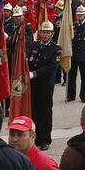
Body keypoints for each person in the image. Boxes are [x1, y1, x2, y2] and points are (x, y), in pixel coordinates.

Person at [28, 20, 62, 151]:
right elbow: (28, 59)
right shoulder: (34, 45)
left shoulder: (56, 49)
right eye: (43, 32)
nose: (45, 35)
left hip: (45, 85)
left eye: (48, 32)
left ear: (52, 34)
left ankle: (45, 139)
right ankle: (35, 137)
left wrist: (35, 73)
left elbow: (52, 67)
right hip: (33, 84)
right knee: (34, 110)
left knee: (45, 112)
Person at [67, 5, 85, 103]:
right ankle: (70, 95)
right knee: (71, 77)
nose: (79, 17)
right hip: (73, 55)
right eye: (78, 15)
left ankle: (84, 96)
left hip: (84, 55)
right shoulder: (72, 26)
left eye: (81, 15)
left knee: (84, 78)